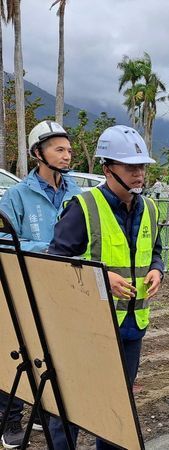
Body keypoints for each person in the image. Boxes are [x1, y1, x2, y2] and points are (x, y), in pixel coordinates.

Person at [47, 125, 164, 450]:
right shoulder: (83, 208)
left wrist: (157, 270)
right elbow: (54, 267)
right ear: (107, 168)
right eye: (131, 166)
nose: (139, 173)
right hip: (88, 329)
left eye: (142, 166)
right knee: (71, 405)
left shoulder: (151, 209)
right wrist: (100, 278)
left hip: (131, 329)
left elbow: (155, 251)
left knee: (116, 407)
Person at [0, 120, 81, 449]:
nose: (67, 155)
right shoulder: (17, 196)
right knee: (17, 352)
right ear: (38, 153)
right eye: (59, 149)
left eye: (69, 150)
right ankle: (10, 418)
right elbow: (3, 239)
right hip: (26, 287)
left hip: (65, 291)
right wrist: (44, 248)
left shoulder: (77, 193)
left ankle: (46, 413)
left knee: (57, 355)